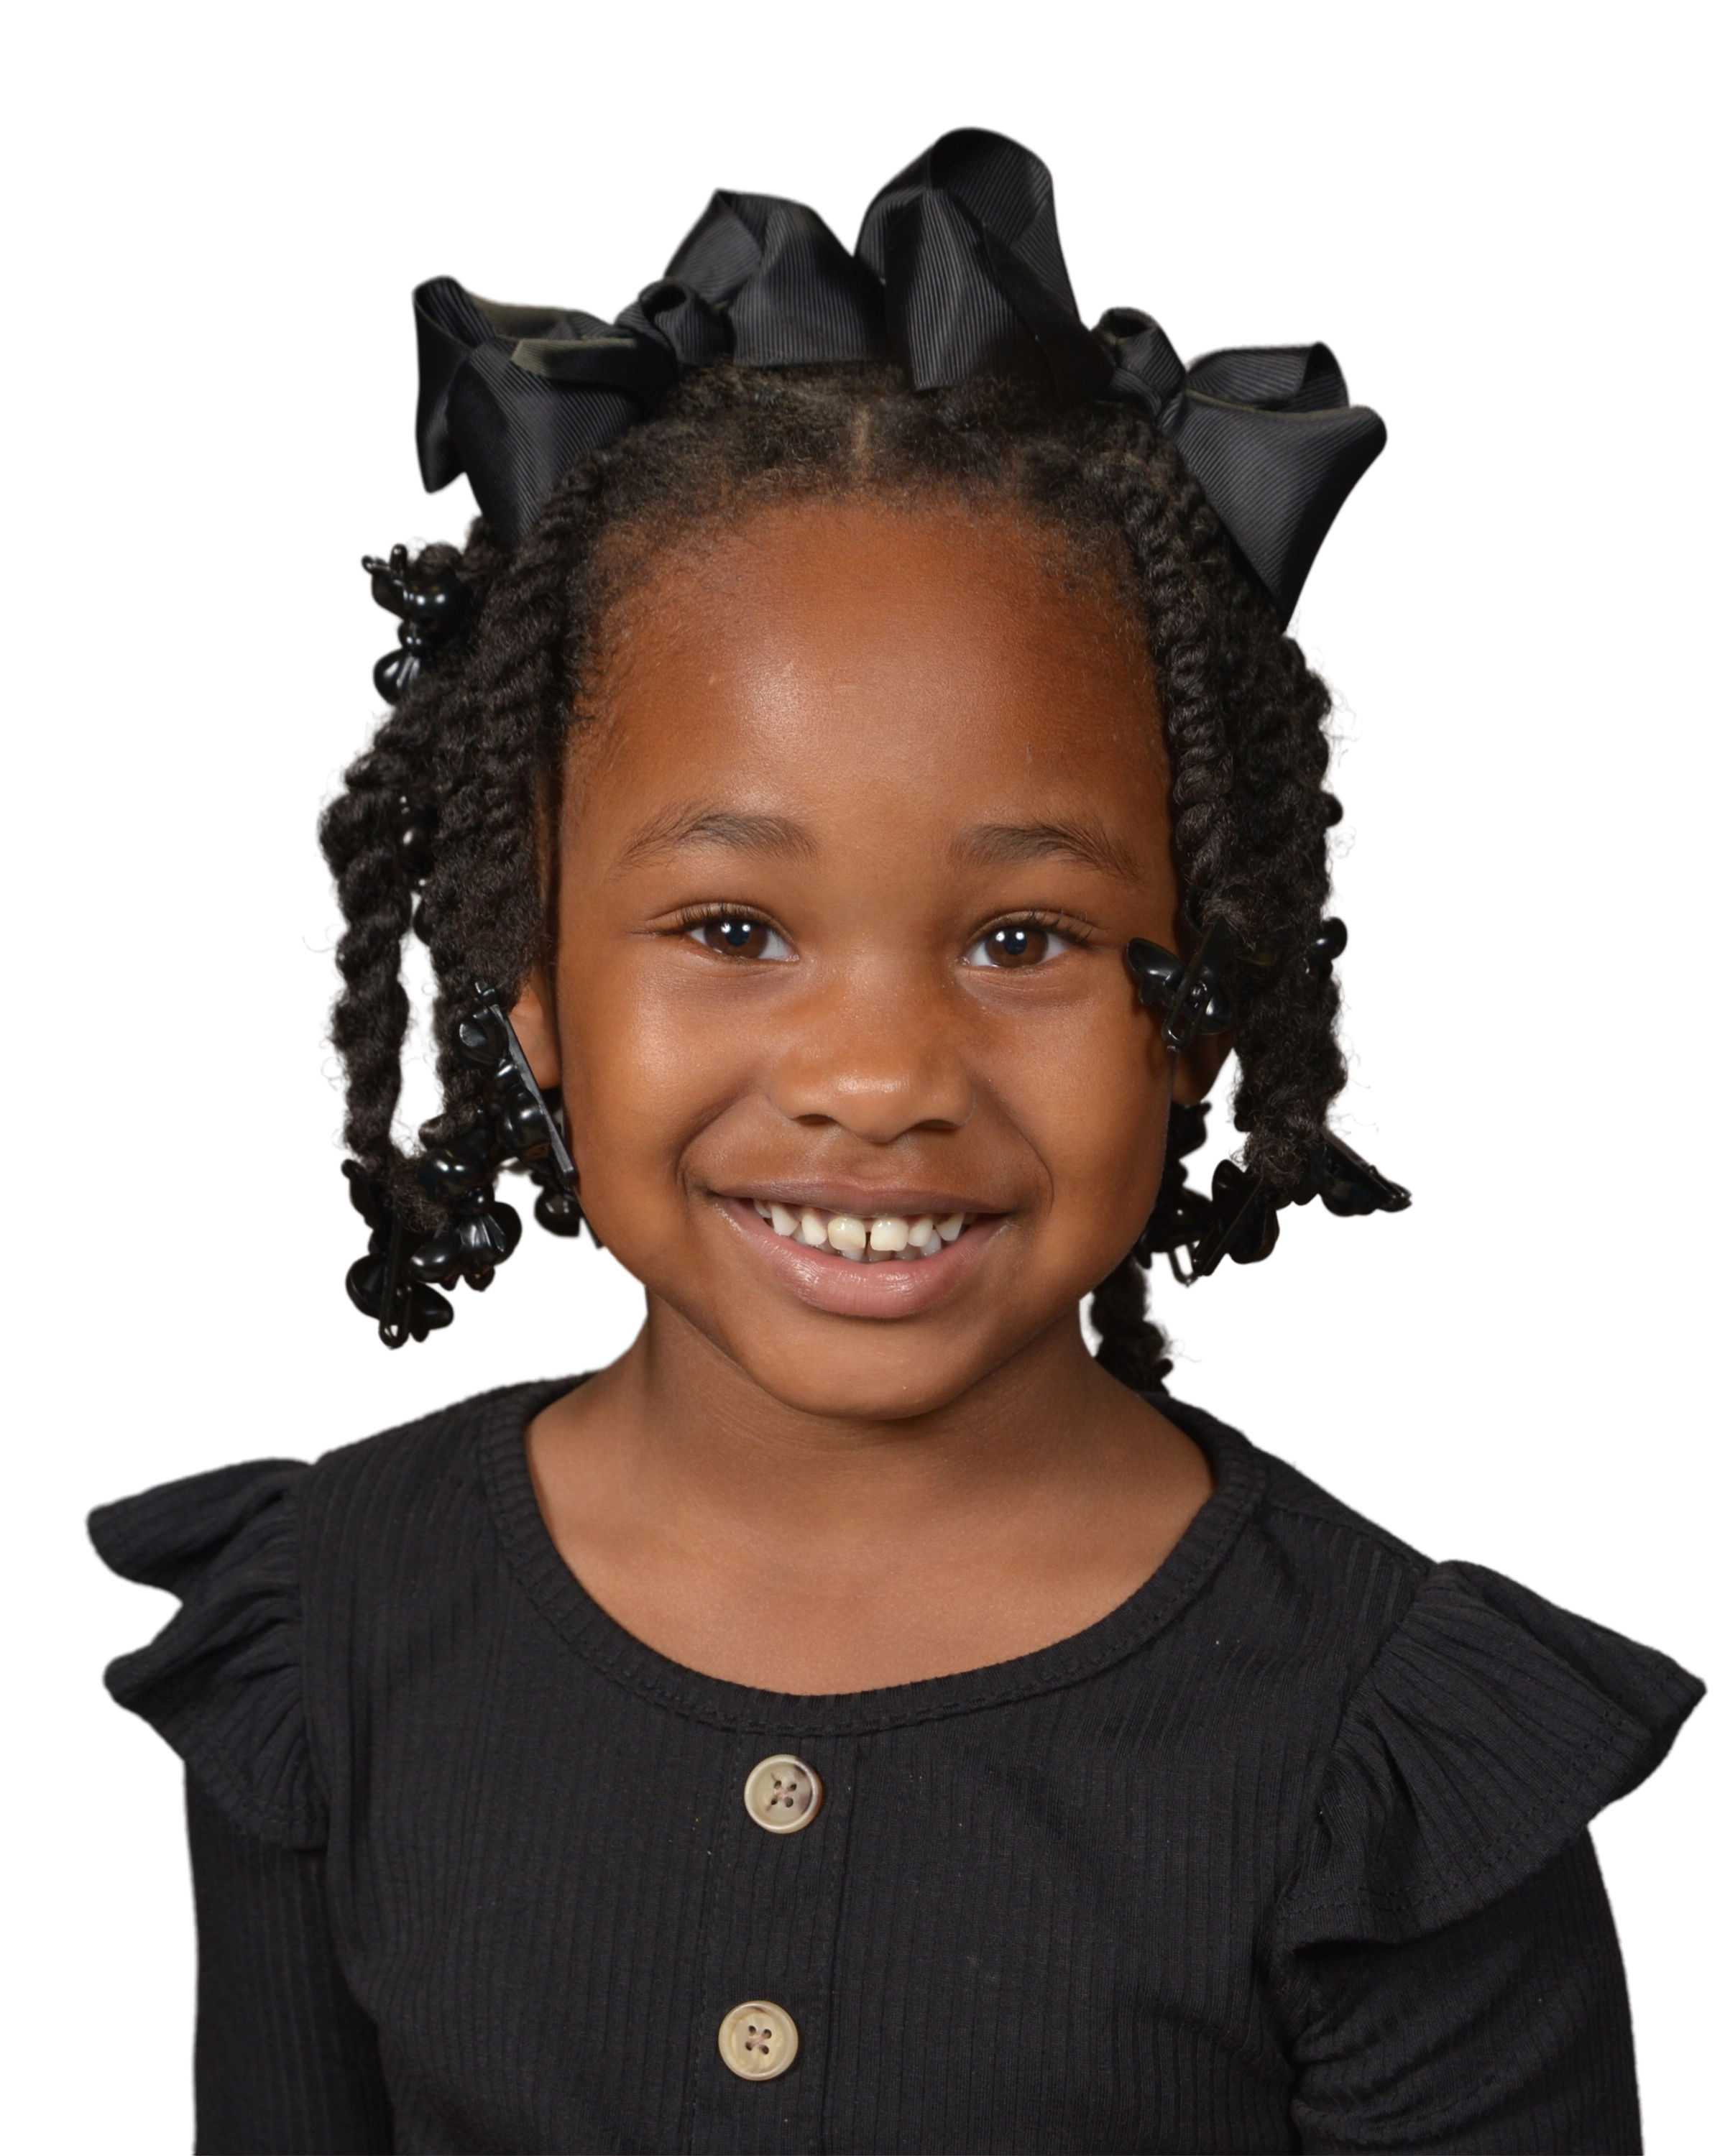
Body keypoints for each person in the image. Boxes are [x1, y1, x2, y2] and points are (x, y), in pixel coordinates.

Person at [85, 126, 1708, 2155]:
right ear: (528, 978)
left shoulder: (1390, 1759)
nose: (876, 1077)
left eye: (1025, 938)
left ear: (1201, 1003)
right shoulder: (329, 1633)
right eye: (731, 930)